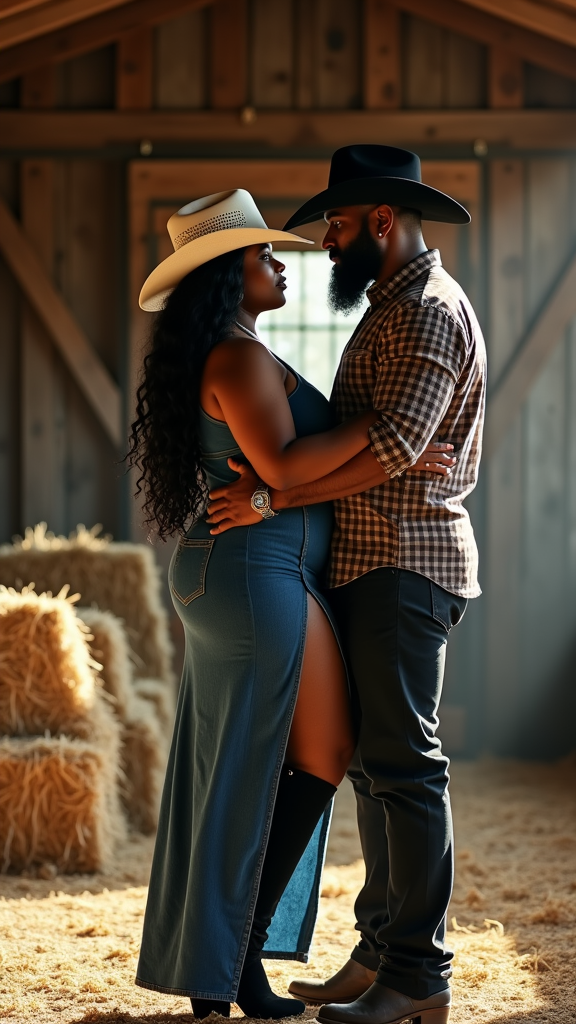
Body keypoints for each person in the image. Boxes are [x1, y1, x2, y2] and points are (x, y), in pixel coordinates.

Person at [128, 187, 451, 1021]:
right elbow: (280, 465)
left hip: (259, 569)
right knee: (280, 759)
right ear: (225, 275)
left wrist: (395, 454)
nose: (281, 262)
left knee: (311, 753)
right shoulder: (235, 358)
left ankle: (226, 963)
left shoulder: (241, 349)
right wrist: (399, 438)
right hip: (250, 571)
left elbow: (297, 459)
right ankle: (224, 968)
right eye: (263, 254)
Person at [205, 146, 487, 1024]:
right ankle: (378, 952)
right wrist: (358, 464)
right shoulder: (390, 309)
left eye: (333, 223)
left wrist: (272, 493)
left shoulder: (428, 314)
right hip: (372, 560)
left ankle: (419, 978)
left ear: (379, 221)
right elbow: (387, 444)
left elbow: (396, 448)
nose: (324, 243)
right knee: (374, 769)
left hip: (408, 563)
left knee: (407, 769)